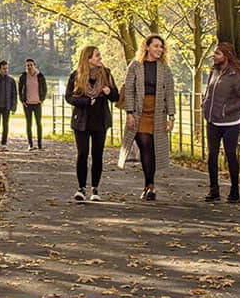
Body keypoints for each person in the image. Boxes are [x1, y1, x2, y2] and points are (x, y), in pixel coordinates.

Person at [121, 34, 176, 201]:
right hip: (139, 112)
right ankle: (149, 185)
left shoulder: (164, 69)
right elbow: (129, 90)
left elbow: (170, 93)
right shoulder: (135, 66)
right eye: (156, 46)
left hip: (157, 113)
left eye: (161, 47)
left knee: (152, 148)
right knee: (144, 145)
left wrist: (171, 117)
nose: (159, 49)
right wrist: (129, 112)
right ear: (147, 47)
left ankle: (149, 185)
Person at [201, 42, 240, 203]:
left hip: (230, 123)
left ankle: (235, 191)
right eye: (214, 53)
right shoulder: (214, 71)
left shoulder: (236, 75)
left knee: (231, 155)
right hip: (212, 121)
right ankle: (214, 190)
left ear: (226, 56)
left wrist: (225, 110)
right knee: (212, 156)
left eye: (217, 54)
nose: (214, 56)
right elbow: (209, 91)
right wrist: (204, 102)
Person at [65, 46, 119, 202]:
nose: (99, 58)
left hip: (100, 120)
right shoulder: (76, 76)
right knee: (82, 154)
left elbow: (116, 97)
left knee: (97, 155)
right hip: (81, 120)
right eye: (97, 56)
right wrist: (86, 101)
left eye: (99, 55)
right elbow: (69, 97)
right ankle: (81, 188)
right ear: (88, 58)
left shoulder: (106, 74)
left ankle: (95, 188)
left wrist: (110, 92)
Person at [18, 58, 49, 150]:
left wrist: (42, 99)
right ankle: (30, 144)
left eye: (31, 65)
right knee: (29, 123)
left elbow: (45, 89)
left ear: (34, 65)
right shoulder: (23, 76)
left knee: (38, 123)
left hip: (37, 104)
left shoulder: (40, 76)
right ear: (26, 66)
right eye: (27, 65)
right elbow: (20, 89)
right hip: (27, 104)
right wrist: (22, 100)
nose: (29, 67)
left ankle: (39, 144)